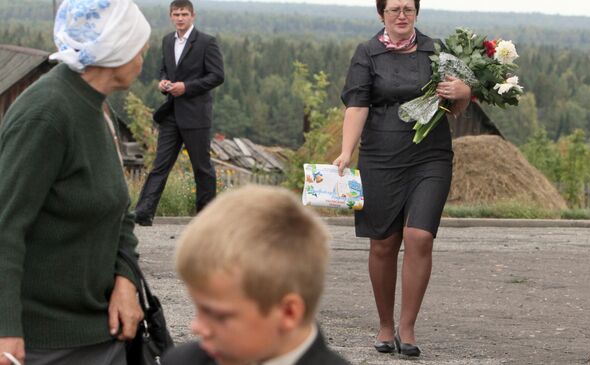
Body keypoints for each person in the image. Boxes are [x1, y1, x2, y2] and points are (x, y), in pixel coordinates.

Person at [0, 1, 151, 364]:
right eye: (138, 46)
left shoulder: (98, 108)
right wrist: (6, 331)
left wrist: (125, 280)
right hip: (43, 345)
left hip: (101, 335)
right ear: (114, 49)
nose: (144, 55)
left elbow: (120, 213)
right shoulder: (46, 115)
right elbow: (5, 226)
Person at [333, 0, 472, 357]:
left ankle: (407, 328)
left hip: (431, 156)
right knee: (383, 242)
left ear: (416, 13)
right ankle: (384, 324)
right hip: (380, 156)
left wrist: (463, 94)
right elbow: (357, 105)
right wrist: (346, 152)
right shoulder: (367, 53)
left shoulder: (437, 51)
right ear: (381, 14)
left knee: (419, 235)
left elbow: (456, 105)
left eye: (408, 8)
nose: (401, 15)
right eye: (393, 8)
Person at [161, 185, 351, 365]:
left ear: (288, 313)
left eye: (219, 316)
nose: (196, 327)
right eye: (198, 308)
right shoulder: (183, 360)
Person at [134, 0, 225, 226]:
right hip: (171, 113)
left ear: (193, 16)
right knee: (160, 165)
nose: (180, 18)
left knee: (202, 168)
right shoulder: (167, 40)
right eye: (176, 14)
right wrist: (163, 81)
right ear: (170, 16)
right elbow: (165, 68)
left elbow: (217, 75)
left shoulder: (206, 42)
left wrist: (187, 87)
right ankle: (143, 213)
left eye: (184, 14)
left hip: (196, 116)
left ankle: (207, 218)